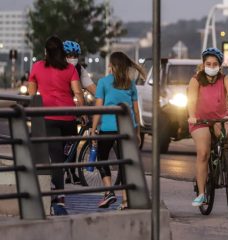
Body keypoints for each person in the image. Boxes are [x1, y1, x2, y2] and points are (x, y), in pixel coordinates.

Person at [187, 47, 228, 207]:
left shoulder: (226, 80)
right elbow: (192, 101)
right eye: (208, 63)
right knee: (203, 153)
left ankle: (224, 159)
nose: (211, 66)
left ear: (219, 66)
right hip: (200, 120)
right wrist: (192, 115)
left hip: (220, 118)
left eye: (214, 64)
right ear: (203, 65)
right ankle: (202, 194)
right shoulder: (195, 80)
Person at [28, 35, 85, 215]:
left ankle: (58, 197)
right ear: (62, 51)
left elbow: (32, 94)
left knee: (55, 156)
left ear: (46, 51)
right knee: (63, 154)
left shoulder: (37, 66)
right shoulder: (70, 68)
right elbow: (78, 93)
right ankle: (59, 187)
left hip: (47, 117)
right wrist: (82, 112)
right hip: (67, 118)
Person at [90, 51, 146, 209]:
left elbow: (98, 108)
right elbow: (135, 111)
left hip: (107, 128)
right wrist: (138, 132)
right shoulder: (130, 84)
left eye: (110, 63)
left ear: (113, 66)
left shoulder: (103, 82)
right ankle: (126, 200)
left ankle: (109, 191)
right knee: (124, 163)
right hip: (126, 129)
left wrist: (94, 129)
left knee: (101, 157)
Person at [63, 40, 96, 184]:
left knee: (72, 142)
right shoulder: (57, 67)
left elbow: (90, 87)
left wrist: (104, 97)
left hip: (70, 109)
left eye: (75, 55)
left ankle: (70, 172)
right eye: (69, 55)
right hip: (55, 109)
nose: (72, 57)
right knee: (58, 143)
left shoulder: (79, 70)